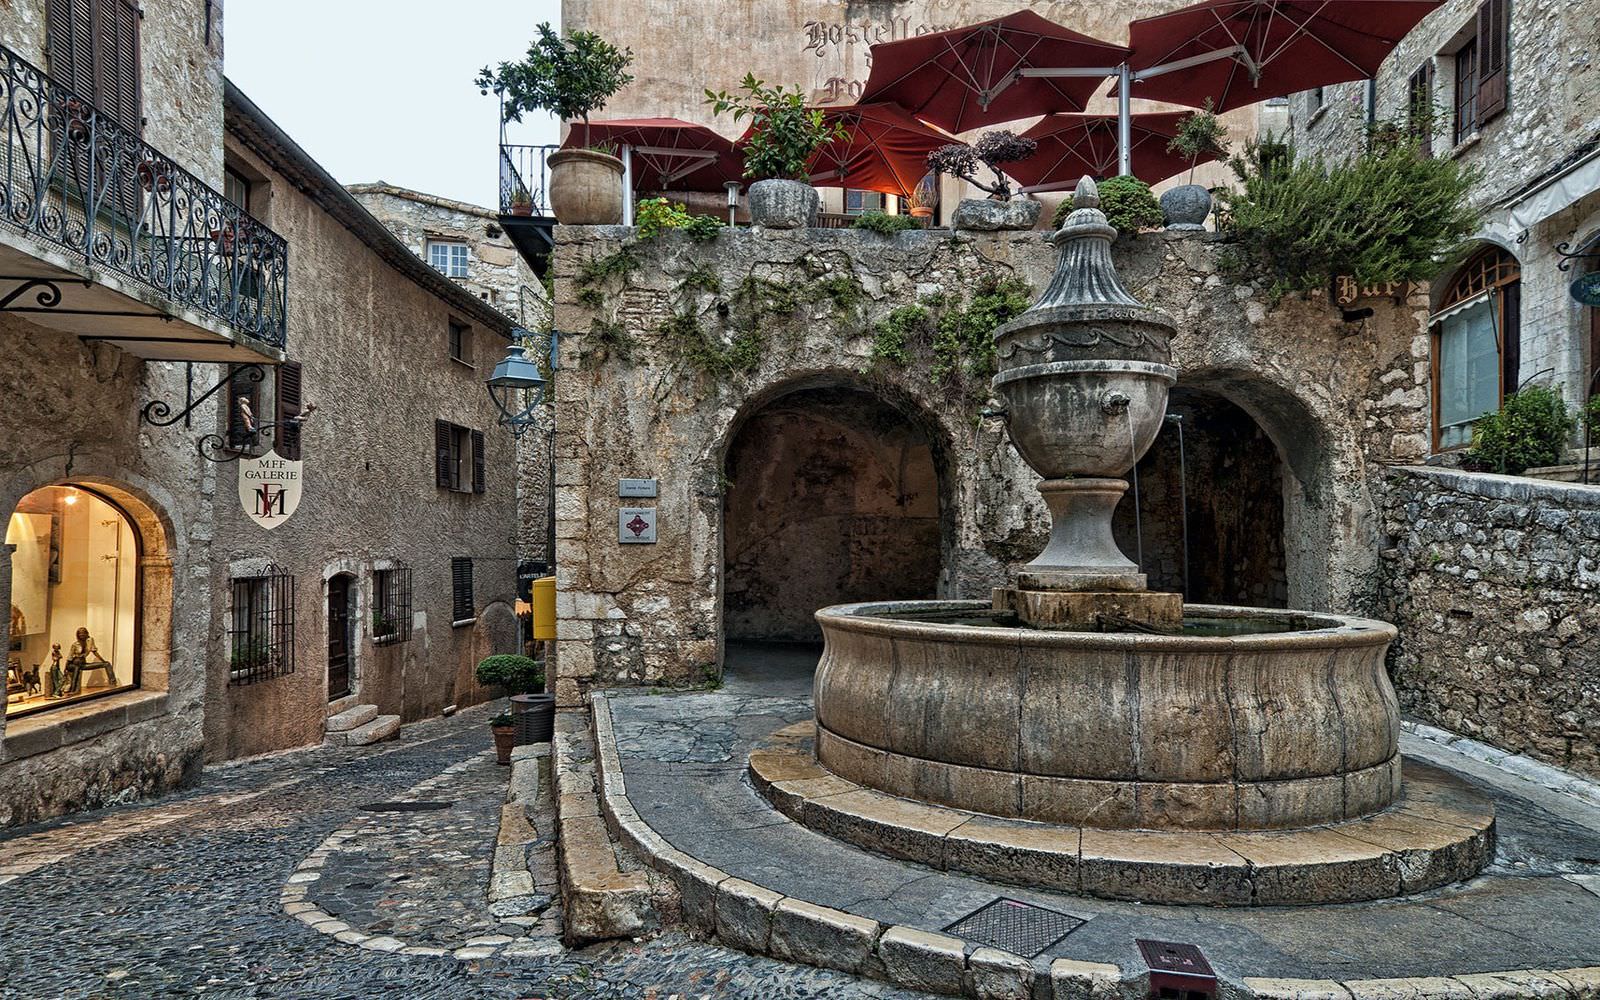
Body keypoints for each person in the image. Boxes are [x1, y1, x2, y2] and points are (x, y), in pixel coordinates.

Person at [65, 627, 115, 694]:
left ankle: (113, 683)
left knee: (107, 664)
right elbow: (70, 656)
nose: (82, 634)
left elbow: (94, 652)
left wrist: (103, 661)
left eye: (83, 633)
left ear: (86, 633)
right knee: (76, 670)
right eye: (80, 633)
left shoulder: (90, 640)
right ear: (78, 635)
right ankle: (73, 690)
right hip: (74, 664)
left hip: (83, 664)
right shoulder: (75, 644)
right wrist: (65, 667)